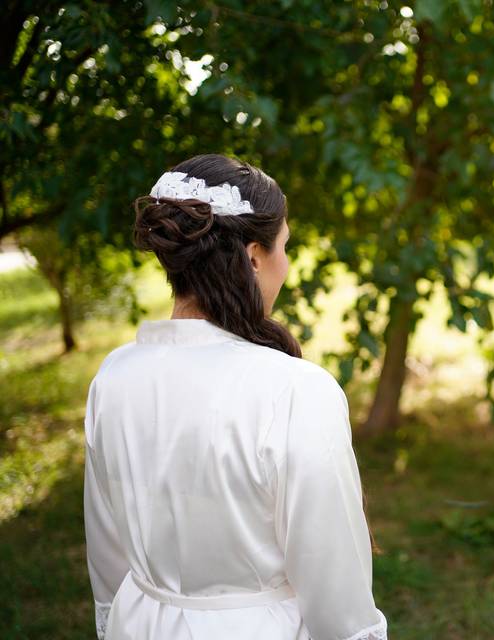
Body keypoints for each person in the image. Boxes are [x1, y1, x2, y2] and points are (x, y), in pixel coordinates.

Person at [83, 154, 387, 640]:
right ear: (252, 257)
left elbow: (107, 552)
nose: (285, 265)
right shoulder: (296, 391)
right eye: (285, 247)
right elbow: (336, 592)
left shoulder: (114, 376)